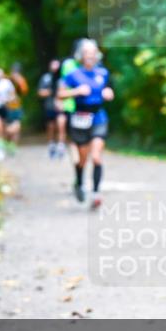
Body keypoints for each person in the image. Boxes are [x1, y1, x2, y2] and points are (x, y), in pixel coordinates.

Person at [57, 39, 113, 209]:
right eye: (87, 53)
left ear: (97, 56)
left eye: (93, 53)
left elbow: (109, 89)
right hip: (80, 118)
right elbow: (60, 94)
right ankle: (79, 183)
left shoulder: (103, 73)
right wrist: (77, 91)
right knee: (82, 159)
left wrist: (108, 93)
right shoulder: (73, 75)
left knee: (96, 157)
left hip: (98, 117)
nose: (90, 56)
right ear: (81, 56)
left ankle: (96, 193)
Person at [37, 59, 68, 159]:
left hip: (61, 106)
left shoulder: (63, 78)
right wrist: (51, 92)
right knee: (51, 126)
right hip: (49, 106)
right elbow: (40, 92)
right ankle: (51, 144)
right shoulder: (46, 78)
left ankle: (61, 145)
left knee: (61, 125)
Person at [6, 62, 29, 148]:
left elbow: (24, 91)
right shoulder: (8, 79)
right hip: (7, 106)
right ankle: (10, 144)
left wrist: (19, 81)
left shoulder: (21, 80)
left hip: (16, 106)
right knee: (9, 127)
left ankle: (13, 146)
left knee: (16, 126)